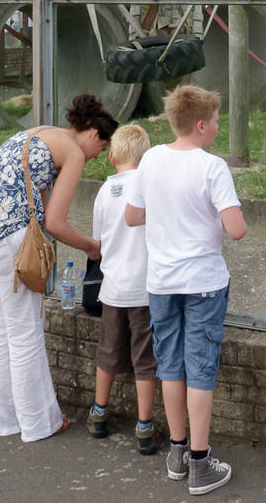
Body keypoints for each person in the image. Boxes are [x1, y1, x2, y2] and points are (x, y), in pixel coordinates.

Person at [0, 94, 117, 443]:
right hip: (9, 236)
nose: (96, 157)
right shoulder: (74, 153)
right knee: (25, 330)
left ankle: (4, 421)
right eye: (101, 149)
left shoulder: (40, 132)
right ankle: (39, 423)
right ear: (93, 135)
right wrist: (93, 246)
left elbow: (41, 203)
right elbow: (56, 223)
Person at [124, 85, 248, 496]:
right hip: (203, 284)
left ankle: (177, 452)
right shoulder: (212, 168)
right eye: (215, 120)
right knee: (200, 368)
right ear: (201, 125)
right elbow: (237, 229)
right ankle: (200, 462)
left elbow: (132, 215)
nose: (217, 126)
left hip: (161, 283)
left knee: (170, 364)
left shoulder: (152, 159)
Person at [86, 123, 160, 454]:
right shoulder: (150, 187)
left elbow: (98, 243)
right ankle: (144, 426)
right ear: (146, 158)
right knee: (145, 360)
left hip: (113, 289)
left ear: (112, 156)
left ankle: (99, 411)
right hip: (145, 290)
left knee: (108, 352)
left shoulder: (104, 191)